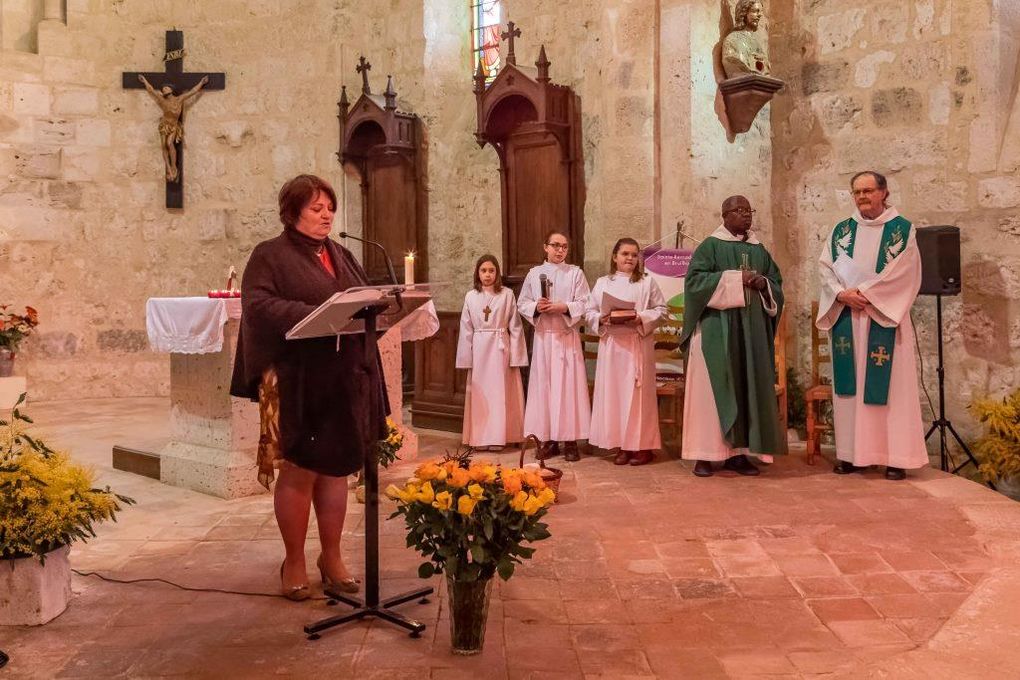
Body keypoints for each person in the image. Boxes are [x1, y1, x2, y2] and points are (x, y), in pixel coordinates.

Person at [230, 174, 386, 600]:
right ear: (292, 211)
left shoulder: (343, 253)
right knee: (301, 470)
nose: (326, 215)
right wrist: (320, 311)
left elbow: (363, 300)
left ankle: (331, 556)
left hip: (342, 376)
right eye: (316, 208)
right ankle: (295, 559)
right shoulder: (270, 255)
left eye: (329, 208)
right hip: (297, 378)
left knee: (337, 469)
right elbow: (258, 307)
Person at [816, 170, 927, 480]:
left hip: (883, 319)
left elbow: (905, 273)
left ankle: (894, 458)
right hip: (848, 320)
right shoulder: (841, 231)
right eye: (857, 192)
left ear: (883, 193)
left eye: (867, 191)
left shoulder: (903, 230)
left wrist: (865, 294)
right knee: (850, 391)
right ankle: (853, 455)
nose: (862, 197)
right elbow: (824, 268)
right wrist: (841, 294)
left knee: (889, 390)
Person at [680, 195, 785, 477]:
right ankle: (704, 454)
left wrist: (765, 285)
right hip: (716, 332)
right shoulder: (710, 246)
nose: (746, 215)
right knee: (709, 394)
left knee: (745, 387)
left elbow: (776, 283)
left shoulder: (759, 249)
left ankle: (738, 455)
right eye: (739, 211)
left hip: (750, 337)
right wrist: (735, 279)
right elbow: (694, 284)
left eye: (748, 210)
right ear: (724, 215)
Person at [585, 238, 667, 466]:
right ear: (615, 257)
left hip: (636, 344)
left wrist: (641, 317)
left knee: (637, 398)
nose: (630, 258)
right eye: (625, 254)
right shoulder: (603, 283)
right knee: (616, 397)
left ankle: (641, 447)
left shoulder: (647, 283)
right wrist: (600, 318)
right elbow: (589, 311)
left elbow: (661, 310)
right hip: (612, 346)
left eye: (634, 255)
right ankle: (622, 445)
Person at [518, 230, 592, 462]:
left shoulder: (575, 273)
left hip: (565, 336)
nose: (560, 250)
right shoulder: (534, 274)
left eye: (564, 247)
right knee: (544, 389)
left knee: (568, 390)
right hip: (543, 338)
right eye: (556, 245)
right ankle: (548, 440)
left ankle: (570, 440)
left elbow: (586, 302)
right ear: (545, 247)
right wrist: (535, 307)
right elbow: (522, 303)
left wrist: (564, 307)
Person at [456, 255, 528, 450]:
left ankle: (501, 436)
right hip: (480, 351)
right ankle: (480, 438)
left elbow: (515, 327)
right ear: (477, 273)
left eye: (491, 270)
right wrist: (465, 358)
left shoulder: (507, 295)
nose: (487, 275)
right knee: (482, 395)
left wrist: (517, 355)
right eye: (483, 270)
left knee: (501, 393)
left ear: (497, 273)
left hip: (500, 349)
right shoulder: (471, 296)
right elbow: (466, 329)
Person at [137, 74, 209, 182]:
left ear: (171, 89)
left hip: (174, 125)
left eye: (165, 88)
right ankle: (168, 168)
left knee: (170, 143)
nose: (163, 90)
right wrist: (144, 81)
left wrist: (202, 82)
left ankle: (174, 167)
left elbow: (193, 91)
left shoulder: (179, 99)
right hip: (164, 125)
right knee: (163, 146)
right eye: (162, 89)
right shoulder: (162, 100)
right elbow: (152, 90)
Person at [721, 0, 770, 78]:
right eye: (755, 11)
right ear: (743, 13)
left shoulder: (757, 43)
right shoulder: (732, 39)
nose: (759, 15)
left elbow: (766, 69)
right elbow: (731, 62)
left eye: (760, 12)